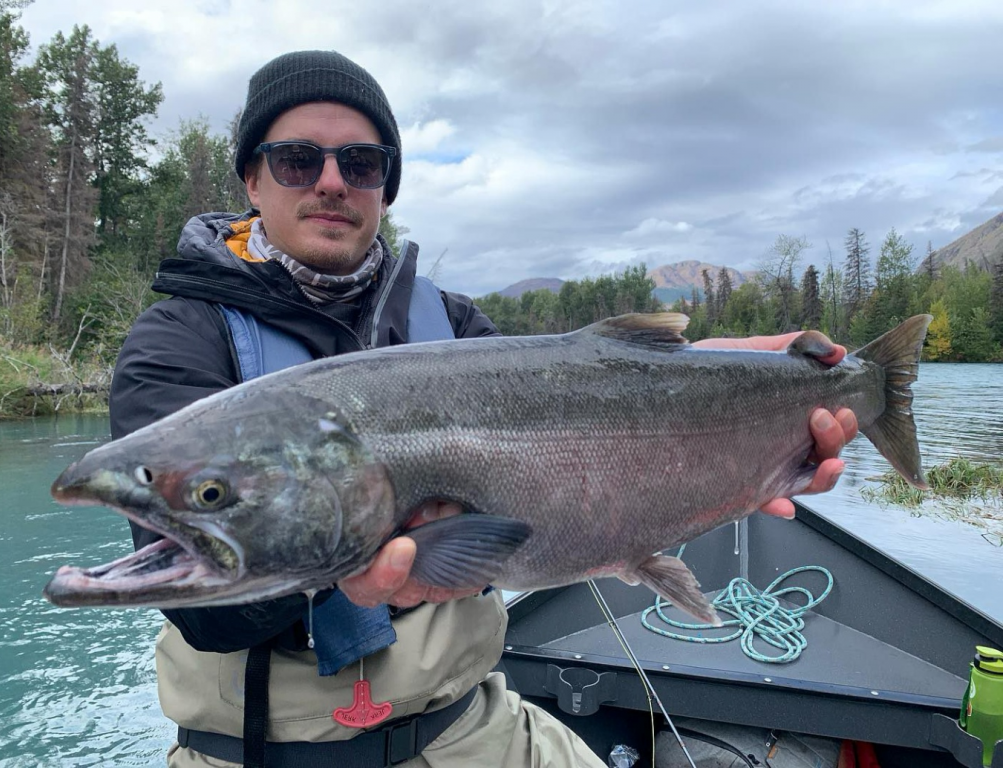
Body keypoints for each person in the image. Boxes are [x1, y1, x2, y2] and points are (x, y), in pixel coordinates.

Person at [109, 50, 858, 768]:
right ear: (252, 178)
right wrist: (338, 570)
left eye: (361, 163)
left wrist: (709, 416)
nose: (332, 182)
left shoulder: (457, 327)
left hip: (473, 727)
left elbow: (584, 425)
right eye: (298, 159)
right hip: (257, 752)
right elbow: (206, 612)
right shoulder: (179, 339)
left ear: (386, 186)